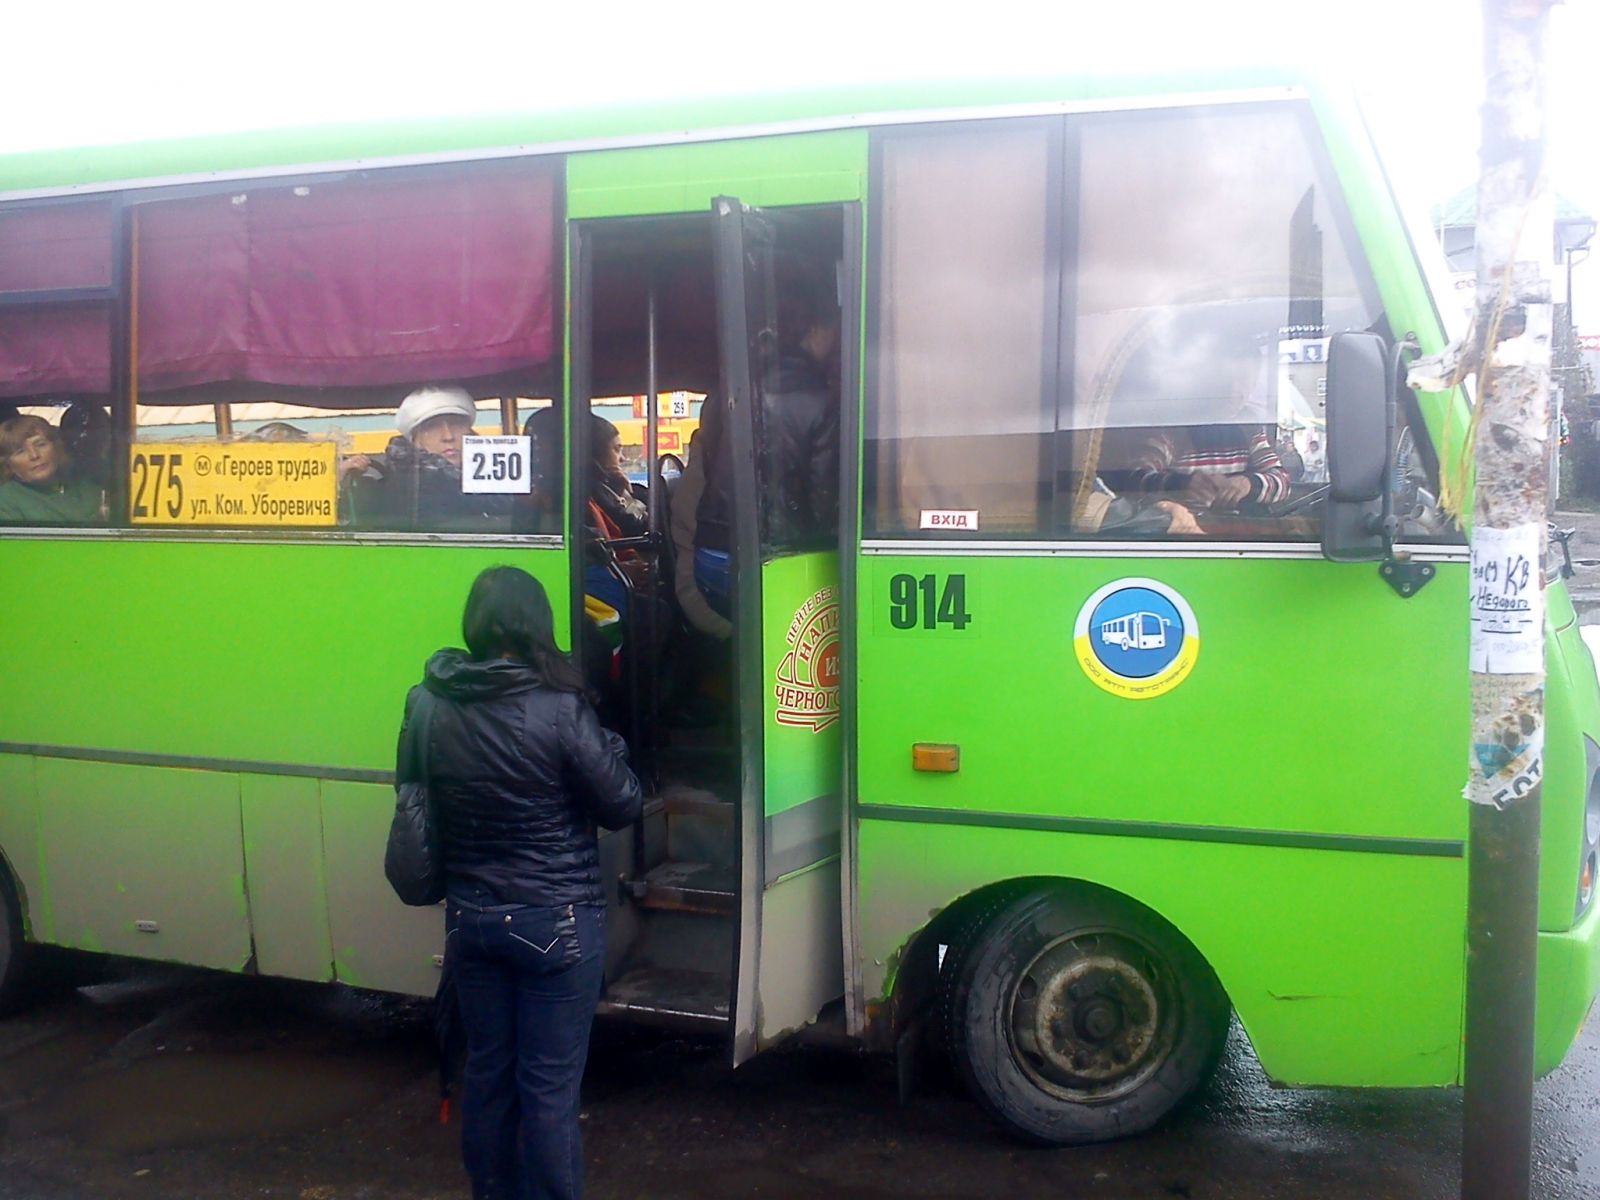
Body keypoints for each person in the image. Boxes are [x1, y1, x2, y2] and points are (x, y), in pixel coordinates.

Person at [404, 566, 641, 1200]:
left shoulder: (428, 701)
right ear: (538, 625)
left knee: (488, 1076)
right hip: (555, 926)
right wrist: (610, 745)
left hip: (473, 924)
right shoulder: (559, 708)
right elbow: (622, 803)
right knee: (549, 1094)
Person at [345, 385, 515, 530]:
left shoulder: (502, 475)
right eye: (432, 426)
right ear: (414, 438)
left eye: (456, 423)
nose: (448, 436)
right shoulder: (400, 487)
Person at [0, 414, 104, 525]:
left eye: (41, 444)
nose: (34, 455)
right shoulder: (5, 501)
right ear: (8, 464)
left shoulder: (86, 487)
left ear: (57, 447)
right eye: (20, 451)